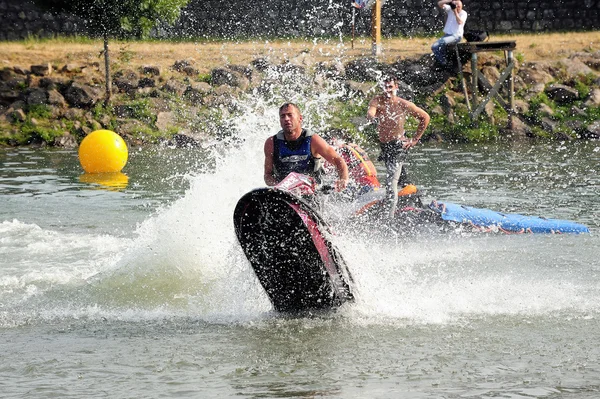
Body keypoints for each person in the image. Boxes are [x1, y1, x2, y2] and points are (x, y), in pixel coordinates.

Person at [366, 76, 430, 217]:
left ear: (396, 88)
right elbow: (371, 111)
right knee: (399, 177)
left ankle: (390, 217)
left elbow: (425, 117)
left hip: (398, 146)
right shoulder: (378, 101)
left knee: (391, 181)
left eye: (390, 87)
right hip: (385, 146)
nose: (387, 90)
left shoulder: (403, 104)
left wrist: (415, 139)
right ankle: (412, 199)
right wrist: (372, 116)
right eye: (385, 87)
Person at [264, 103, 349, 191]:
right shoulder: (271, 143)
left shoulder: (313, 140)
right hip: (284, 191)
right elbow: (267, 175)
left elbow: (338, 160)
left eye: (290, 115)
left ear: (300, 118)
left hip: (313, 191)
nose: (286, 119)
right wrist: (280, 187)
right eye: (283, 116)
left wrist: (343, 179)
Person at [431, 0, 467, 67]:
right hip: (447, 35)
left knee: (435, 46)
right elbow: (439, 3)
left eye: (459, 6)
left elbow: (460, 22)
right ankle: (444, 61)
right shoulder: (450, 9)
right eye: (457, 6)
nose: (458, 7)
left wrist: (455, 12)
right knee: (436, 47)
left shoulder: (463, 13)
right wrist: (450, 1)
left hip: (456, 36)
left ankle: (445, 63)